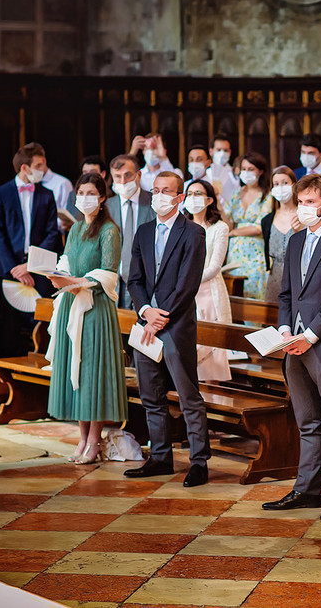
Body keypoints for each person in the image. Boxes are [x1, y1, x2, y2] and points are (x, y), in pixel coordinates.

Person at [262, 174, 321, 521]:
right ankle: (306, 489)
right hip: (293, 342)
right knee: (307, 420)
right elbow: (287, 292)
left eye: (308, 202)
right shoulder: (296, 240)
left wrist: (311, 336)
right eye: (300, 202)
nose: (302, 208)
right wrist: (286, 329)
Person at [124, 171, 209, 487]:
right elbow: (134, 279)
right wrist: (146, 311)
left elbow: (189, 283)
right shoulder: (143, 232)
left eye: (167, 191)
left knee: (188, 395)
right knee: (151, 395)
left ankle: (199, 461)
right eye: (155, 190)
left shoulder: (193, 233)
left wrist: (164, 315)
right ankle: (159, 457)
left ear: (179, 197)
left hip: (176, 325)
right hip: (146, 323)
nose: (159, 196)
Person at [46, 173, 126, 465]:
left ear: (103, 198)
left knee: (93, 375)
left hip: (95, 307)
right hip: (72, 301)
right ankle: (81, 439)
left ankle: (94, 441)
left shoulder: (109, 231)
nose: (85, 198)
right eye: (81, 192)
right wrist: (59, 275)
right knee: (75, 373)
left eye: (91, 193)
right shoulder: (77, 227)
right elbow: (66, 261)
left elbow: (109, 272)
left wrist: (81, 281)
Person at [0, 146, 62, 357]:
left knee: (42, 323)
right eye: (39, 165)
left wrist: (31, 265)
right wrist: (15, 267)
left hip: (39, 268)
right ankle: (7, 370)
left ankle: (42, 368)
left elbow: (52, 234)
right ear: (25, 167)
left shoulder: (47, 195)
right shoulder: (1, 193)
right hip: (10, 269)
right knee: (7, 325)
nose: (44, 169)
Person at [184, 179, 232, 382]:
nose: (192, 198)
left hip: (209, 293)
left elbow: (214, 267)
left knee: (211, 358)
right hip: (185, 294)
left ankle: (214, 403)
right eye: (189, 194)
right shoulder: (181, 226)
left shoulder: (219, 228)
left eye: (198, 194)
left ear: (209, 199)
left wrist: (186, 281)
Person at [106, 155, 154, 309]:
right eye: (117, 177)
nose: (122, 181)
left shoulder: (154, 203)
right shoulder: (107, 207)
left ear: (138, 175)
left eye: (127, 175)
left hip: (146, 281)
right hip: (114, 283)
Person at [226, 152, 273, 298]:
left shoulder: (267, 196)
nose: (246, 173)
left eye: (251, 169)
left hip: (255, 252)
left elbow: (258, 228)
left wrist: (234, 232)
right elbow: (228, 222)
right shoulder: (236, 194)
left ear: (260, 171)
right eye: (244, 169)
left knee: (253, 294)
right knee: (234, 292)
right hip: (235, 251)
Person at [262, 166, 300, 302]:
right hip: (275, 276)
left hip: (298, 275)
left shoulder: (303, 215)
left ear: (294, 185)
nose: (280, 187)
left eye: (285, 183)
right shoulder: (267, 220)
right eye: (276, 184)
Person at [24, 142, 74, 211]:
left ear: (44, 161)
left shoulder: (62, 184)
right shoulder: (28, 185)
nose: (35, 170)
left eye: (38, 165)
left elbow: (69, 216)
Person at [206, 132, 238, 214]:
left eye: (225, 150)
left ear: (230, 152)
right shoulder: (205, 174)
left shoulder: (235, 175)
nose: (222, 154)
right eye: (219, 150)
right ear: (211, 151)